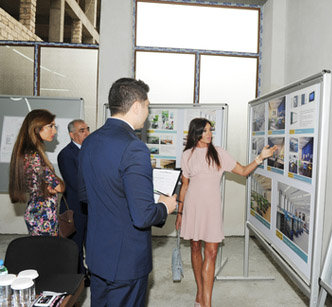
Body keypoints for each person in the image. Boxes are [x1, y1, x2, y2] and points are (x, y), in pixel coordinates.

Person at [78, 78, 177, 307]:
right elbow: (142, 216)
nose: (148, 112)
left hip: (97, 254)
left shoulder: (90, 141)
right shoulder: (134, 147)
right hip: (126, 261)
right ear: (136, 106)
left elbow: (85, 195)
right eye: (148, 106)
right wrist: (164, 207)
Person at [175, 118, 277, 307]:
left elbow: (244, 171)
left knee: (212, 252)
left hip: (212, 209)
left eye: (210, 130)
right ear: (196, 133)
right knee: (195, 247)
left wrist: (260, 157)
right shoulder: (187, 155)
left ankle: (207, 303)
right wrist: (179, 212)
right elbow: (185, 185)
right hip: (193, 207)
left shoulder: (219, 153)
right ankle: (200, 291)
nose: (209, 134)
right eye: (205, 131)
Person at [9, 109, 65, 236]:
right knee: (45, 254)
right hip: (42, 218)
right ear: (36, 128)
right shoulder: (34, 156)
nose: (54, 131)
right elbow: (59, 186)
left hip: (41, 216)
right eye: (50, 126)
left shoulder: (31, 154)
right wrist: (56, 185)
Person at [57, 119, 90, 277]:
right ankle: (79, 277)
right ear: (72, 134)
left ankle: (90, 272)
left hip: (91, 207)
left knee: (91, 243)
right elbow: (76, 183)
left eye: (87, 129)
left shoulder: (90, 150)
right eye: (82, 130)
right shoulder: (66, 154)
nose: (87, 133)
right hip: (75, 208)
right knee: (75, 245)